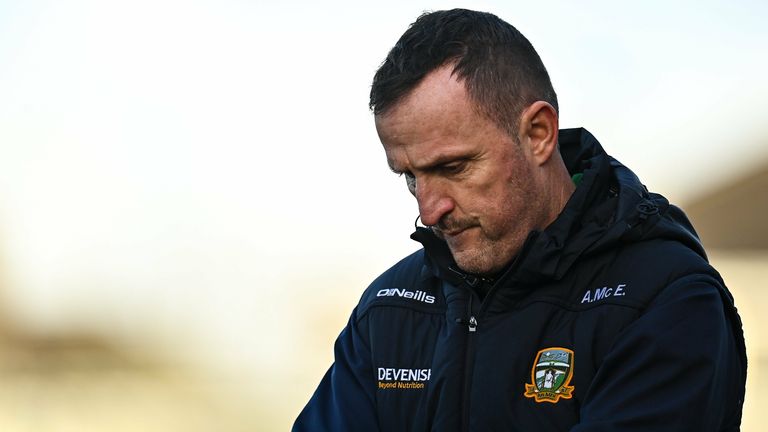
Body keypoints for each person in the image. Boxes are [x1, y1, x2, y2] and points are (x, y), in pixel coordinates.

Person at [293, 8, 746, 431]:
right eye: (411, 176)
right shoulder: (390, 308)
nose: (428, 211)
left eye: (453, 167)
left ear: (538, 133)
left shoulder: (664, 300)